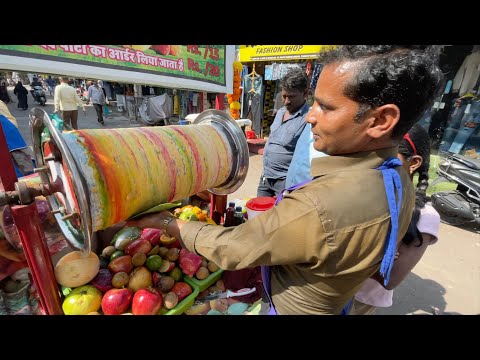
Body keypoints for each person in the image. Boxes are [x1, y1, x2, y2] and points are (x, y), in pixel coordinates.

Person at [127, 46, 442, 315]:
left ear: (381, 120)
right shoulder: (396, 176)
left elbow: (233, 249)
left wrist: (169, 224)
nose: (310, 116)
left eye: (326, 107)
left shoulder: (320, 205)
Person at [349, 124, 440, 315]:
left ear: (413, 163)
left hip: (360, 301)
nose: (373, 162)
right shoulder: (367, 191)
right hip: (331, 291)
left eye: (387, 155)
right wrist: (380, 253)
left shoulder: (425, 217)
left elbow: (389, 279)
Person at [257, 67, 310, 197]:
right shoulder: (280, 112)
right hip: (266, 177)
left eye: (291, 97)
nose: (286, 101)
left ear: (305, 93)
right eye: (284, 96)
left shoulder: (308, 118)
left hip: (285, 182)